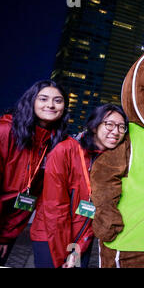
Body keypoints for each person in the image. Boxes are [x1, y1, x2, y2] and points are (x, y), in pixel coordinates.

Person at [30, 104, 128, 268]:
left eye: (121, 127)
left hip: (82, 239)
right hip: (50, 237)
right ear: (94, 126)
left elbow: (97, 210)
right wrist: (64, 253)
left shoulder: (110, 162)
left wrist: (77, 249)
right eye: (109, 124)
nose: (116, 131)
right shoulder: (65, 150)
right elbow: (54, 208)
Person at [0, 80, 68, 266]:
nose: (51, 105)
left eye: (58, 100)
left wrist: (6, 236)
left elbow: (30, 196)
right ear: (31, 101)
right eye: (43, 98)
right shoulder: (5, 130)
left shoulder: (54, 143)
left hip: (8, 228)